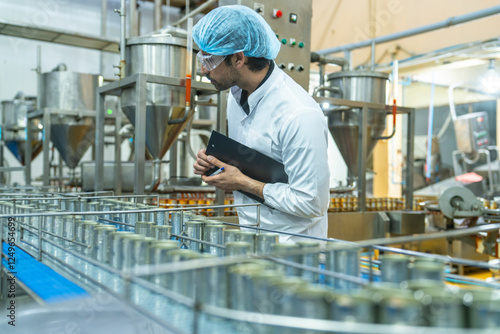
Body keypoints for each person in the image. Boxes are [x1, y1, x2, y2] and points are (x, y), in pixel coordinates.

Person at [192, 5, 330, 243]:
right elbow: (250, 158)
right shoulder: (235, 98)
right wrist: (216, 163)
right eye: (201, 58)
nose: (203, 69)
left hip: (292, 251)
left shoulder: (299, 114)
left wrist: (241, 182)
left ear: (238, 59)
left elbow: (312, 202)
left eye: (210, 59)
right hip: (252, 240)